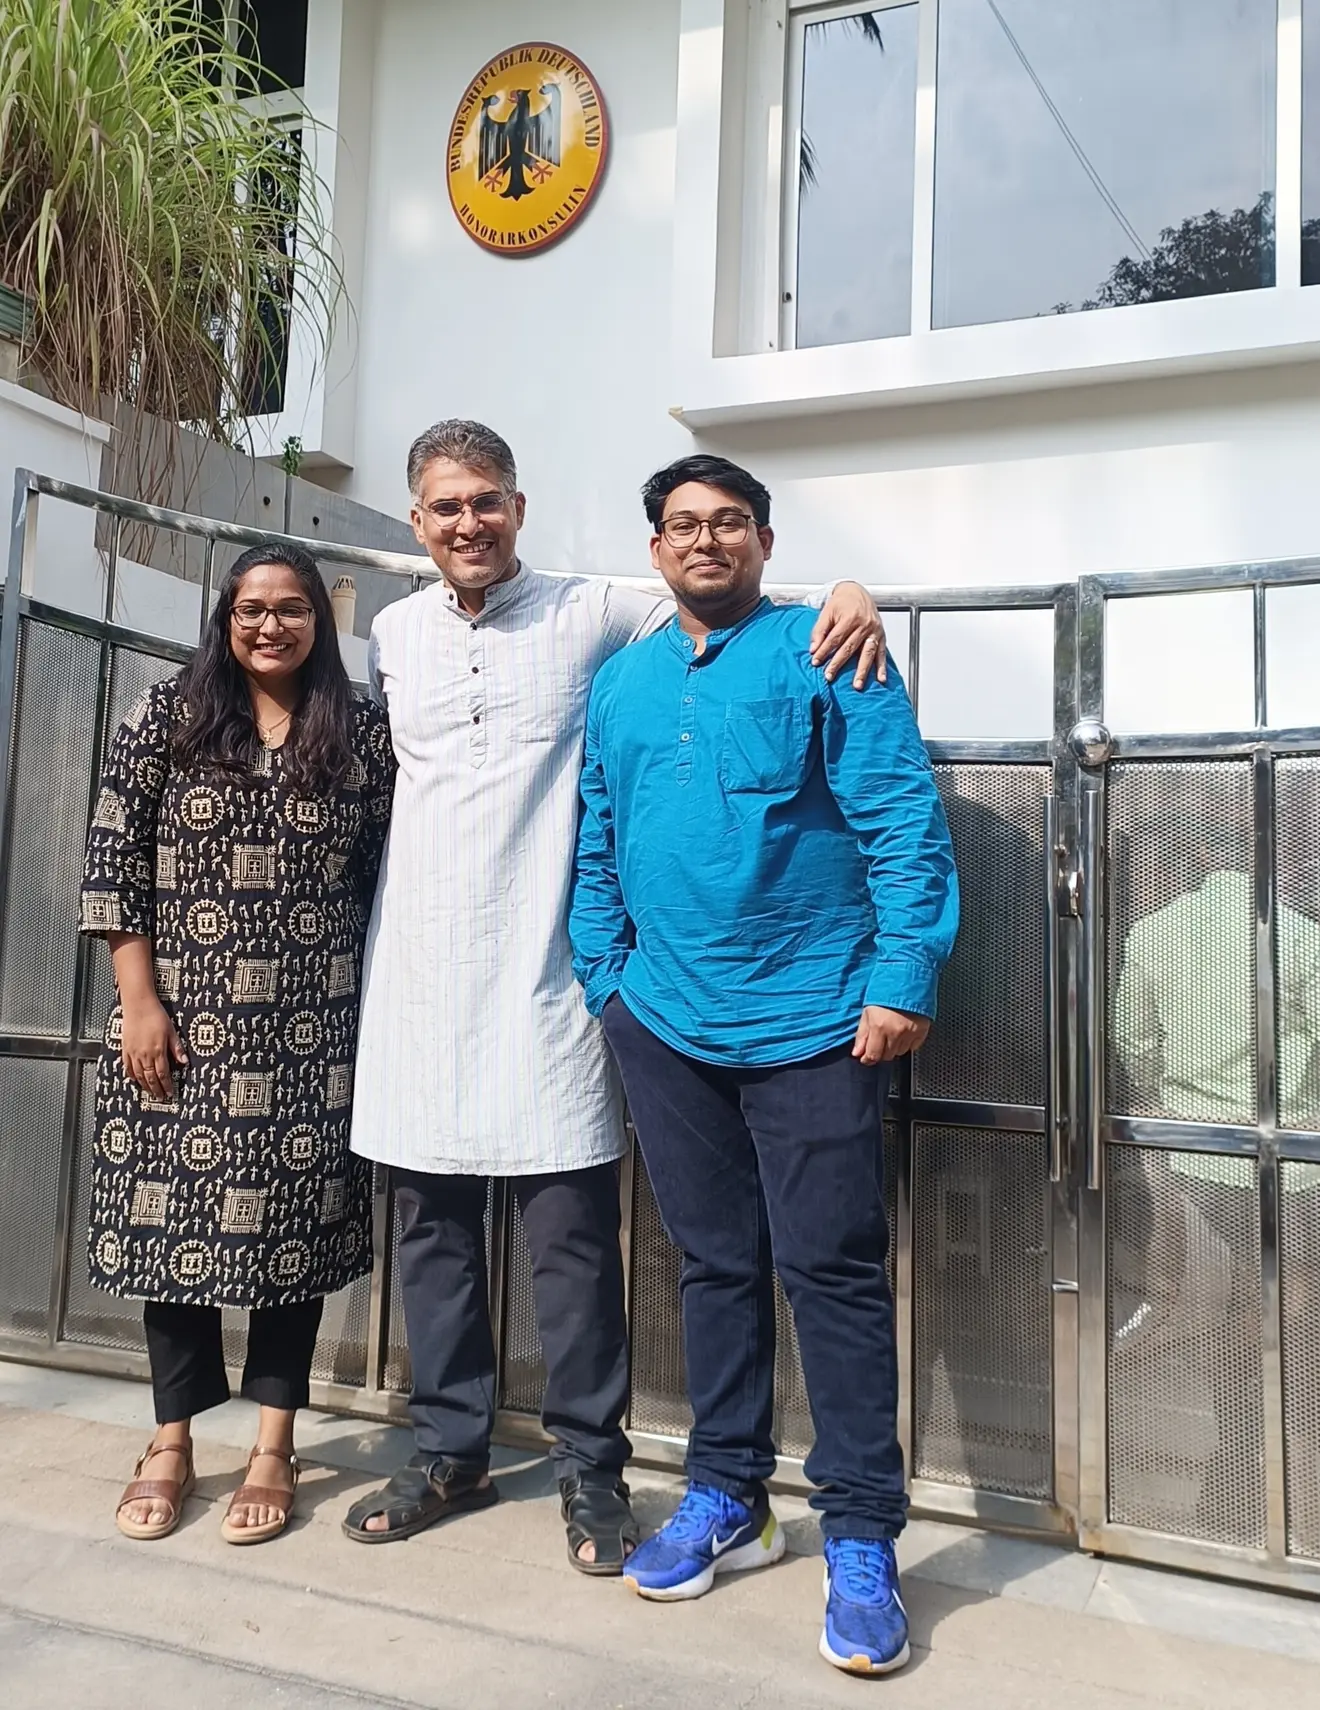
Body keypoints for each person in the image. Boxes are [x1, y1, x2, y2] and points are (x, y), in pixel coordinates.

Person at [343, 420, 888, 1575]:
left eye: (486, 500)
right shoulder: (388, 635)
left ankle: (593, 1469)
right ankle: (450, 1446)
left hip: (555, 983)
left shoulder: (596, 612)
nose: (468, 523)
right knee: (433, 1227)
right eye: (445, 506)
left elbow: (722, 604)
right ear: (417, 522)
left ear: (520, 507)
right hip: (423, 970)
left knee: (572, 1239)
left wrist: (843, 589)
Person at [569, 454, 958, 1675]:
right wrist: (604, 974)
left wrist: (904, 978)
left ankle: (861, 1535)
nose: (706, 541)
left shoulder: (828, 653)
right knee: (710, 1265)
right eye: (683, 525)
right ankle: (728, 1494)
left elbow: (903, 819)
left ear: (764, 539)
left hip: (814, 1024)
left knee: (832, 1273)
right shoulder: (622, 684)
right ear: (655, 549)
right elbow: (599, 832)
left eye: (728, 522)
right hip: (665, 1023)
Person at [80, 543, 395, 1546]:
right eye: (253, 607)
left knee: (288, 1244)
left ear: (320, 622)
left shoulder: (362, 735)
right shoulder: (164, 716)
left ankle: (272, 1445)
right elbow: (112, 861)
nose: (271, 625)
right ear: (225, 616)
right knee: (171, 1238)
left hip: (312, 1032)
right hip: (178, 1026)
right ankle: (169, 1441)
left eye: (293, 608)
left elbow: (395, 873)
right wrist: (139, 1002)